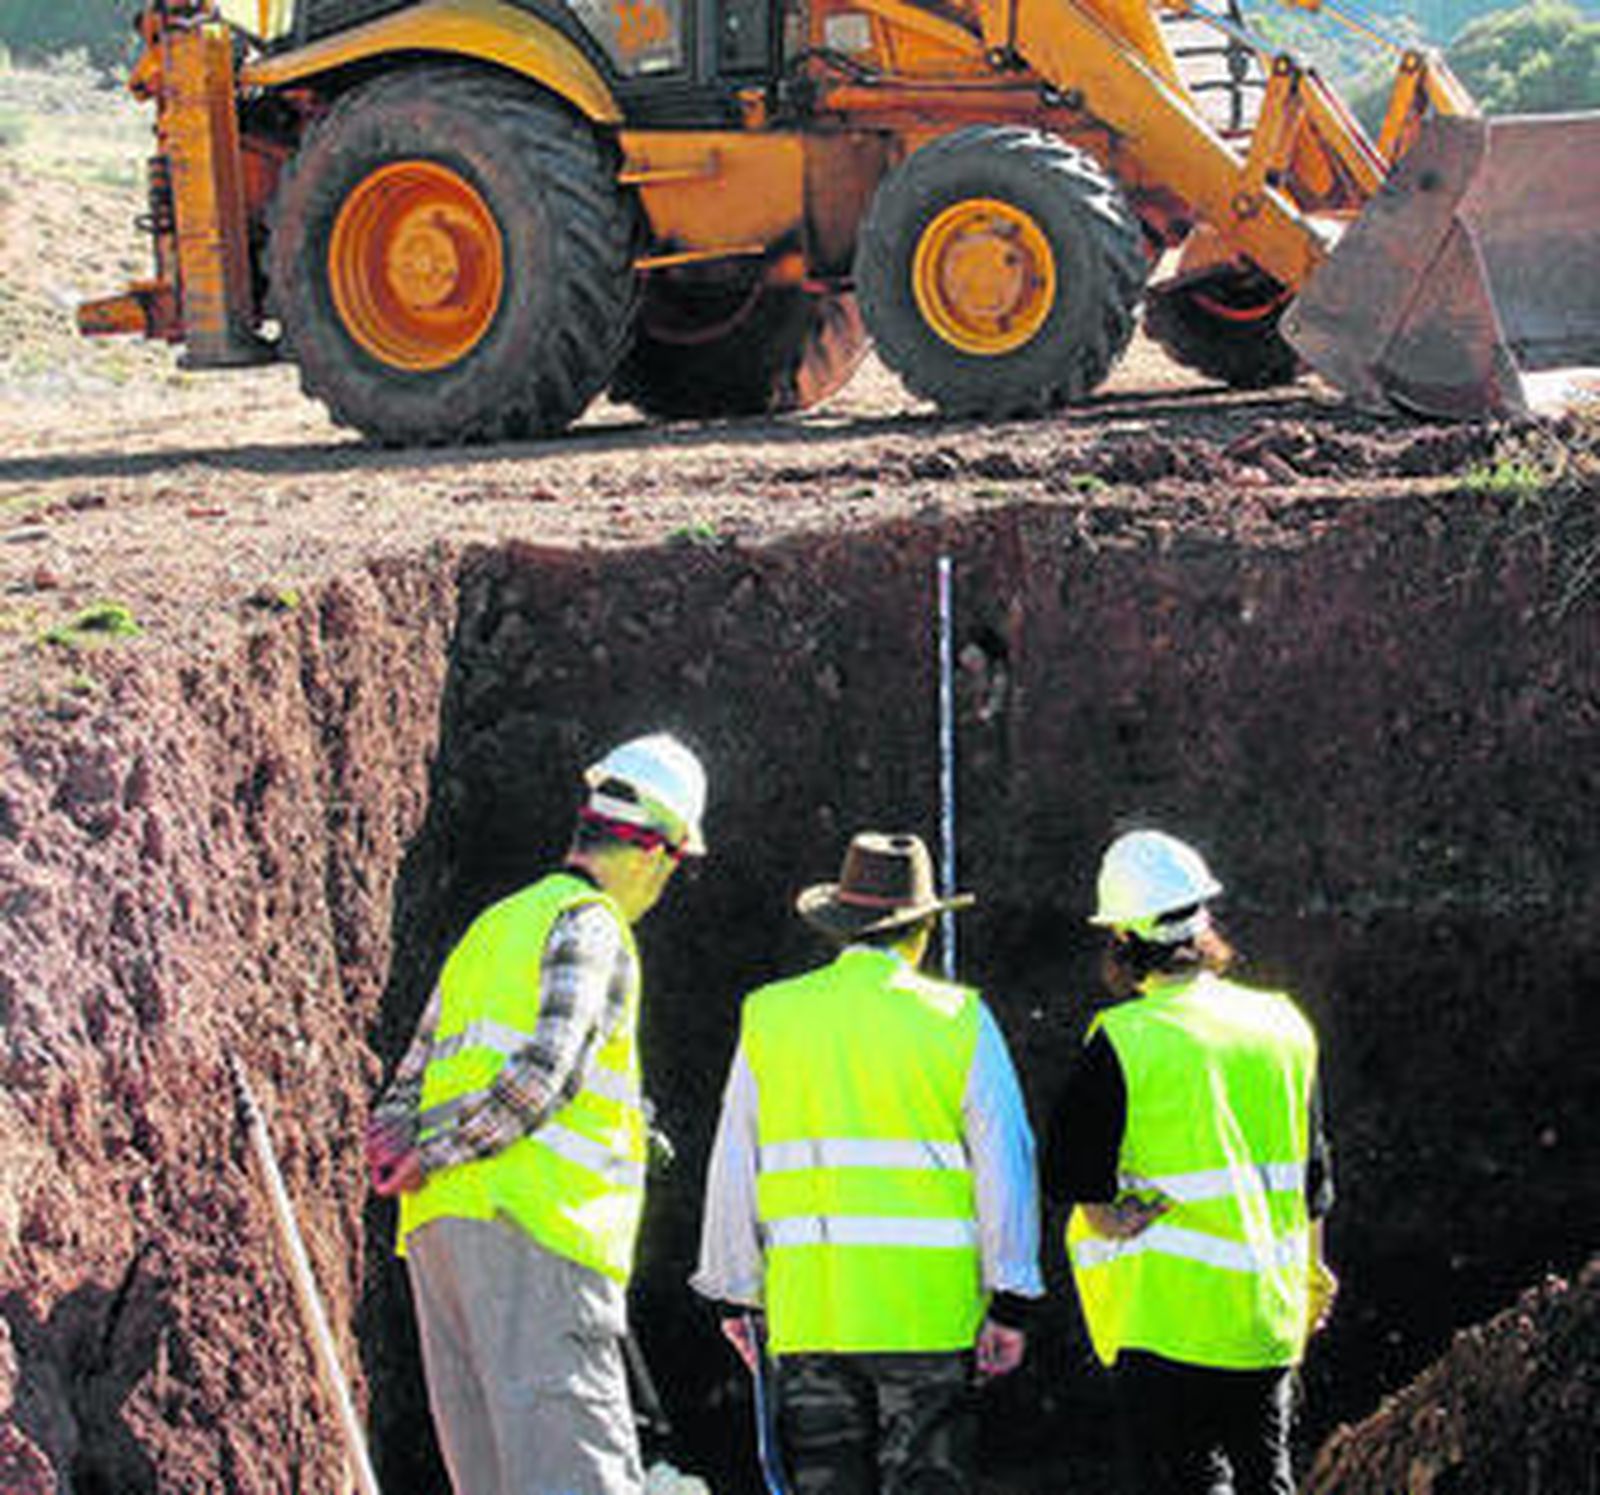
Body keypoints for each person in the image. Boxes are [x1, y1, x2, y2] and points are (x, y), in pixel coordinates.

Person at [364, 732, 709, 1495]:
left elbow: (406, 1084)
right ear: (657, 851)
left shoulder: (492, 929)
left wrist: (406, 1150)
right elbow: (546, 1073)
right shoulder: (590, 925)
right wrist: (439, 1150)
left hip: (437, 1236)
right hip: (536, 1231)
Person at [693, 830, 1044, 1495]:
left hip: (809, 1316)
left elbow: (735, 1158)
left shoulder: (771, 1016)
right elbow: (1006, 1161)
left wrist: (736, 1290)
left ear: (840, 928)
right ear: (923, 932)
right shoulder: (959, 1018)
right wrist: (1011, 1299)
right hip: (929, 1320)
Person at [1045, 829, 1336, 1495]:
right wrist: (1313, 1273)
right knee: (1269, 1478)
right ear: (1205, 924)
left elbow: (1073, 1176)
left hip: (1164, 1325)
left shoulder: (1123, 1039)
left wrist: (1111, 1216)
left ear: (1121, 938)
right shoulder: (1284, 1025)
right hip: (1265, 1316)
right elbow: (1312, 1176)